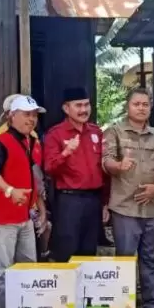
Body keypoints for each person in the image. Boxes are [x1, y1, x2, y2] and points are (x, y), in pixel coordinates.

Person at [103, 88, 154, 308]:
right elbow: (106, 160)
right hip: (125, 208)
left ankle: (152, 307)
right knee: (124, 259)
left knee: (151, 260)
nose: (141, 108)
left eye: (145, 104)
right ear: (127, 106)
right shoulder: (115, 131)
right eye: (136, 104)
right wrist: (119, 166)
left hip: (152, 207)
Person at [0, 95, 46, 308]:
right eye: (27, 114)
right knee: (3, 272)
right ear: (12, 116)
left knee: (29, 267)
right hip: (1, 217)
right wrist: (10, 191)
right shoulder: (0, 142)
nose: (32, 119)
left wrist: (41, 207)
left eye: (34, 115)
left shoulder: (31, 141)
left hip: (24, 216)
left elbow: (32, 178)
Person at [43, 86, 105, 262]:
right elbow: (48, 167)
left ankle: (86, 290)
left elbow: (102, 169)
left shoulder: (96, 132)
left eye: (87, 105)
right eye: (78, 105)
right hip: (69, 201)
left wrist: (105, 202)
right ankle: (66, 290)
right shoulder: (56, 134)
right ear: (66, 108)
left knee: (89, 250)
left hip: (94, 200)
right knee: (67, 251)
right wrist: (66, 153)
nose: (84, 110)